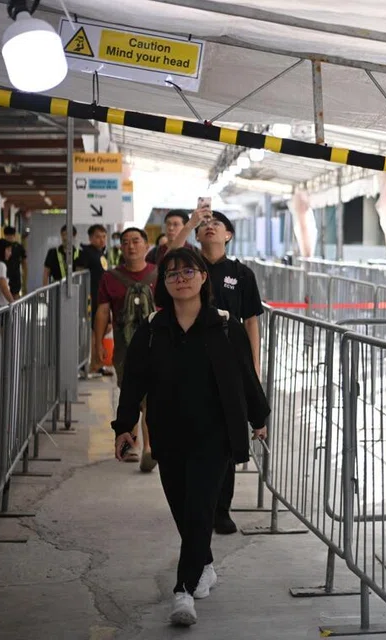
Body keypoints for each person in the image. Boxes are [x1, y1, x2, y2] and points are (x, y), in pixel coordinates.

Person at [111, 247, 269, 627]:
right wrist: (124, 426)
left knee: (199, 509)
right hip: (168, 433)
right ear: (163, 284)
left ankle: (183, 590)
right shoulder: (153, 330)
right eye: (172, 273)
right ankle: (205, 564)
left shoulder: (225, 327)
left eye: (188, 271)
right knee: (184, 510)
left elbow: (246, 375)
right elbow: (134, 382)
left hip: (214, 436)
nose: (180, 278)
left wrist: (258, 417)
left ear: (203, 278)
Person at [195, 211, 264, 535]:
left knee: (226, 435)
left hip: (230, 363)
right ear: (197, 236)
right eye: (203, 225)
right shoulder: (187, 269)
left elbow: (251, 320)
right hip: (192, 359)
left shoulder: (241, 274)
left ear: (229, 235)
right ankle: (197, 505)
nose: (209, 227)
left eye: (216, 224)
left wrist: (254, 365)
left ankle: (221, 509)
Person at [95, 228, 157, 469]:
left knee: (150, 396)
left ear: (146, 245)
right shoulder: (110, 278)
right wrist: (98, 344)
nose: (131, 246)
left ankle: (148, 447)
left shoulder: (159, 274)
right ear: (120, 247)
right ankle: (132, 444)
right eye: (126, 242)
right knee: (130, 393)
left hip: (155, 343)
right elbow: (102, 312)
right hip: (124, 348)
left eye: (136, 241)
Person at [80, 225, 111, 374]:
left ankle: (96, 363)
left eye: (104, 236)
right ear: (91, 238)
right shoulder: (86, 253)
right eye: (98, 236)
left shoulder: (101, 253)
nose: (102, 240)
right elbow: (79, 273)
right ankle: (94, 364)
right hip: (91, 297)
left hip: (102, 297)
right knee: (96, 330)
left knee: (103, 328)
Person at [2, 226, 26, 297]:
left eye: (11, 236)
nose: (9, 238)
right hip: (4, 276)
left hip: (15, 277)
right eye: (7, 236)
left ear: (14, 236)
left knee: (15, 296)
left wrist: (24, 279)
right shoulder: (1, 247)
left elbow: (24, 263)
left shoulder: (19, 247)